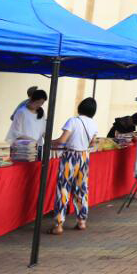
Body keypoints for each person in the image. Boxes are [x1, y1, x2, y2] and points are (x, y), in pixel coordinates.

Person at [49, 97, 98, 235]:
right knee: (81, 189)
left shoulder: (73, 121)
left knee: (63, 188)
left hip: (70, 156)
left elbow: (62, 140)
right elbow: (92, 143)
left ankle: (59, 225)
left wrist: (50, 142)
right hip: (84, 157)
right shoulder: (93, 124)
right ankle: (82, 221)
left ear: (80, 107)